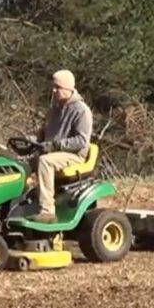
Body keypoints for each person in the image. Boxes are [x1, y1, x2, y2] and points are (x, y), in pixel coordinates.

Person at [26, 69, 93, 223]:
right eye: (53, 87)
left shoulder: (81, 111)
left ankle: (47, 211)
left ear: (68, 88)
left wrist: (55, 145)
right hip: (52, 151)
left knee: (44, 161)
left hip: (74, 155)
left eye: (58, 87)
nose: (54, 91)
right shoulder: (54, 110)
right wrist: (28, 142)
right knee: (22, 164)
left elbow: (82, 141)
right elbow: (42, 135)